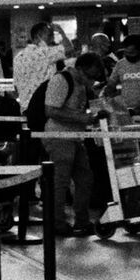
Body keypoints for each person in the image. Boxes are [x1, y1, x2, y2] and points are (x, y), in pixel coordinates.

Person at [42, 51, 107, 235]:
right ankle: (57, 224)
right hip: (58, 137)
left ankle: (82, 221)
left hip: (76, 138)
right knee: (60, 183)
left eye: (93, 79)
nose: (90, 81)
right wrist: (83, 118)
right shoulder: (61, 80)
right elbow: (51, 110)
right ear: (79, 69)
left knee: (85, 179)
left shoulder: (81, 84)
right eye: (88, 77)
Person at [13, 21, 65, 106]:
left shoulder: (18, 57)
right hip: (44, 105)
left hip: (26, 105)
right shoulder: (46, 53)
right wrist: (60, 31)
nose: (52, 39)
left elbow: (15, 86)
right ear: (38, 36)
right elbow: (69, 48)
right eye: (49, 36)